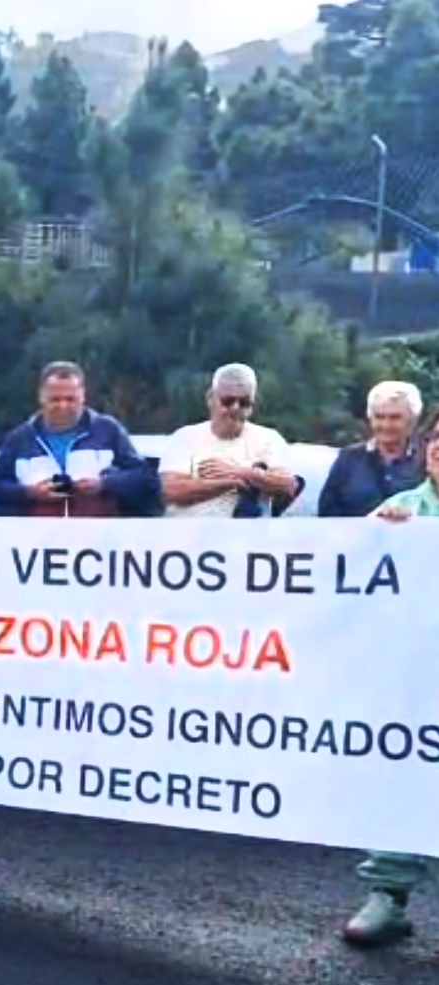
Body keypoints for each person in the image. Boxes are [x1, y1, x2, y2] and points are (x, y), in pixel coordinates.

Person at [337, 427, 439, 947]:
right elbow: (342, 570)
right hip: (408, 674)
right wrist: (378, 533)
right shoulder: (402, 506)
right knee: (400, 778)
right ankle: (388, 895)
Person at [0, 362, 158, 518]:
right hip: (36, 536)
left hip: (99, 535)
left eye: (70, 399)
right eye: (55, 400)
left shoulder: (108, 430)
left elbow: (144, 477)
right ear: (41, 397)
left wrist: (104, 484)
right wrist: (30, 492)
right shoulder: (21, 438)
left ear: (83, 396)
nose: (63, 406)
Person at [159, 364, 299, 519]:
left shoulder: (269, 438)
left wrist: (242, 473)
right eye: (227, 401)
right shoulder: (185, 437)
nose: (235, 408)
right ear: (210, 398)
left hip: (249, 533)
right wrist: (231, 483)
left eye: (244, 402)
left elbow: (288, 486)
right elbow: (171, 491)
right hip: (190, 532)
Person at [319, 380, 425, 520]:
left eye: (395, 418)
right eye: (379, 417)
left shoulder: (427, 458)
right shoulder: (348, 459)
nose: (386, 425)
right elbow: (326, 514)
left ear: (413, 420)